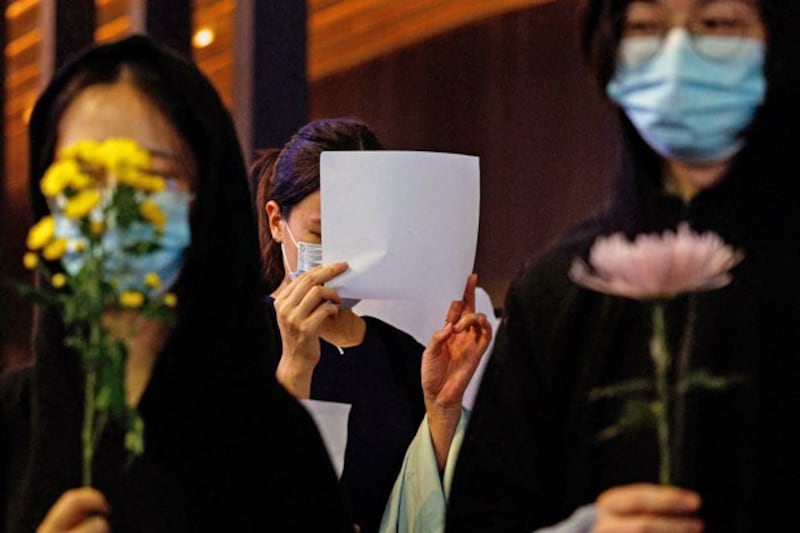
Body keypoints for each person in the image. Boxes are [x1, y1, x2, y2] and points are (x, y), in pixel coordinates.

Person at [447, 0, 800, 531]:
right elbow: (486, 513)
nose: (678, 54)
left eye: (717, 23)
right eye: (645, 26)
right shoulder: (563, 286)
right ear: (611, 57)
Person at [0, 36, 353, 532]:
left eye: (148, 176)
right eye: (81, 180)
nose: (112, 209)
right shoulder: (12, 422)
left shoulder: (274, 443)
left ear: (204, 201)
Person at [253, 118, 492, 533]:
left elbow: (428, 508)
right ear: (277, 222)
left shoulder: (403, 356)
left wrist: (441, 409)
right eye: (322, 234)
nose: (341, 260)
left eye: (361, 242)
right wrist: (294, 364)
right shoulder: (231, 340)